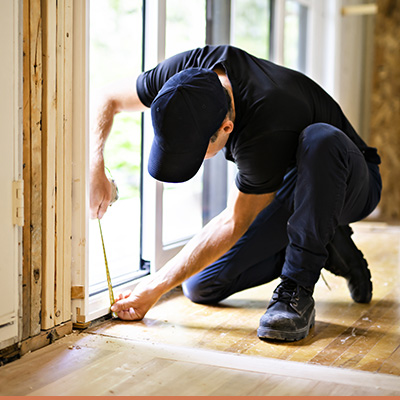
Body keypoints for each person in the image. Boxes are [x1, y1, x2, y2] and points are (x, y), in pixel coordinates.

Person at [90, 45, 382, 342]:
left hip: (349, 180)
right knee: (201, 286)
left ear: (227, 127)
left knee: (320, 138)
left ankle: (297, 291)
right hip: (290, 182)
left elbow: (234, 220)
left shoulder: (266, 121)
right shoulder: (183, 81)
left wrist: (154, 287)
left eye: (196, 153)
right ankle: (326, 243)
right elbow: (107, 97)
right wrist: (94, 165)